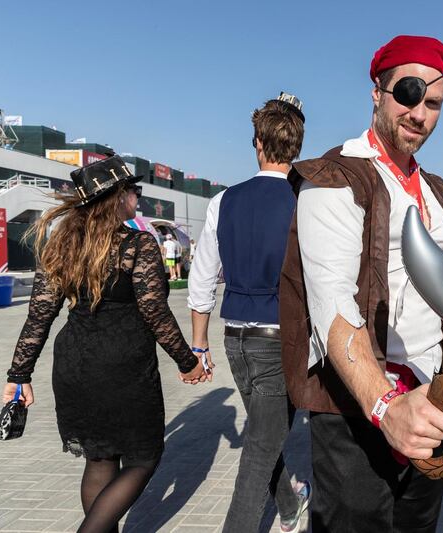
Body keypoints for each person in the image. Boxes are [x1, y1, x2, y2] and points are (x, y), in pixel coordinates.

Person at [279, 35, 443, 532]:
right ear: (377, 92)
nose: (419, 112)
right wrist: (384, 408)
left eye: (433, 102)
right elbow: (331, 305)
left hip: (430, 398)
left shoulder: (434, 190)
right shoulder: (335, 176)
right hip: (358, 406)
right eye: (408, 93)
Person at [0, 156, 207, 532]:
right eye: (134, 191)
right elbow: (155, 312)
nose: (138, 199)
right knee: (145, 458)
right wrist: (187, 361)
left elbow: (39, 315)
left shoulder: (61, 243)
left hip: (74, 364)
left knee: (99, 461)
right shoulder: (137, 244)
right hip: (123, 366)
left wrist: (19, 373)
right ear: (117, 197)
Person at [187, 93, 310, 533]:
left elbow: (202, 279)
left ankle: (290, 505)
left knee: (264, 436)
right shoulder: (305, 201)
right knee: (260, 449)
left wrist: (198, 345)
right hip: (281, 339)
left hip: (235, 335)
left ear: (257, 142)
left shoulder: (224, 201)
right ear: (296, 146)